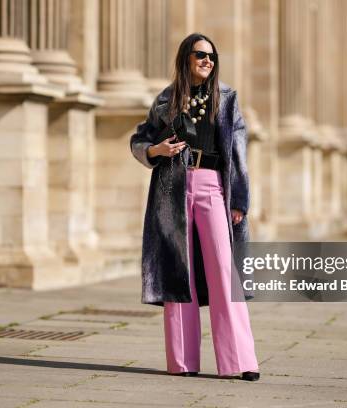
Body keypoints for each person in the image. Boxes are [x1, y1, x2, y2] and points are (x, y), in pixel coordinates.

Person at [130, 33, 260, 381]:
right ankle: (182, 362)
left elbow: (239, 154)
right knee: (177, 272)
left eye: (212, 56)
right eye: (201, 54)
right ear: (186, 57)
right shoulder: (166, 100)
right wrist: (156, 151)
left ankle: (240, 360)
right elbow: (140, 139)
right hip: (171, 188)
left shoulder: (227, 98)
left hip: (211, 185)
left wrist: (239, 200)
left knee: (223, 270)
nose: (208, 61)